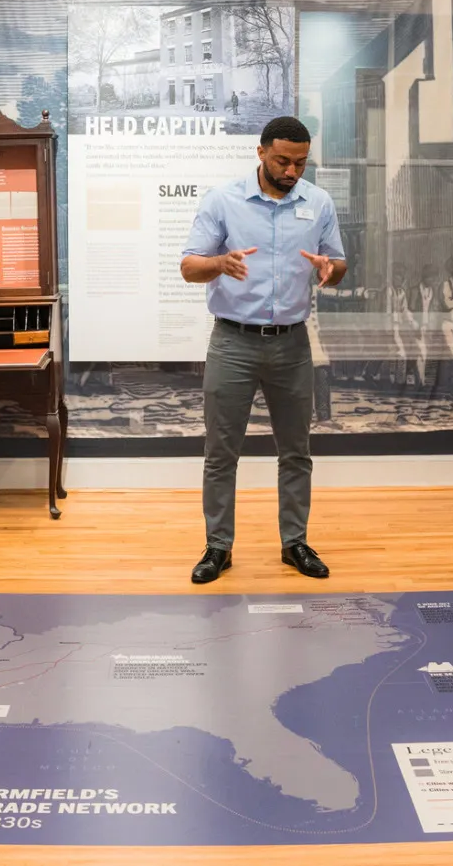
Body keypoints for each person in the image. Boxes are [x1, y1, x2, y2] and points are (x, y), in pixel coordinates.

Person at [180, 116, 345, 584]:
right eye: (282, 161)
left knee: (296, 451)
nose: (292, 171)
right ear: (260, 153)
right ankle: (218, 547)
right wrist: (219, 262)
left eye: (300, 162)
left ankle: (294, 543)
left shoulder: (319, 202)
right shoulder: (223, 200)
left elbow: (338, 261)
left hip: (292, 345)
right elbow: (190, 267)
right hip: (232, 342)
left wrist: (332, 270)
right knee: (221, 453)